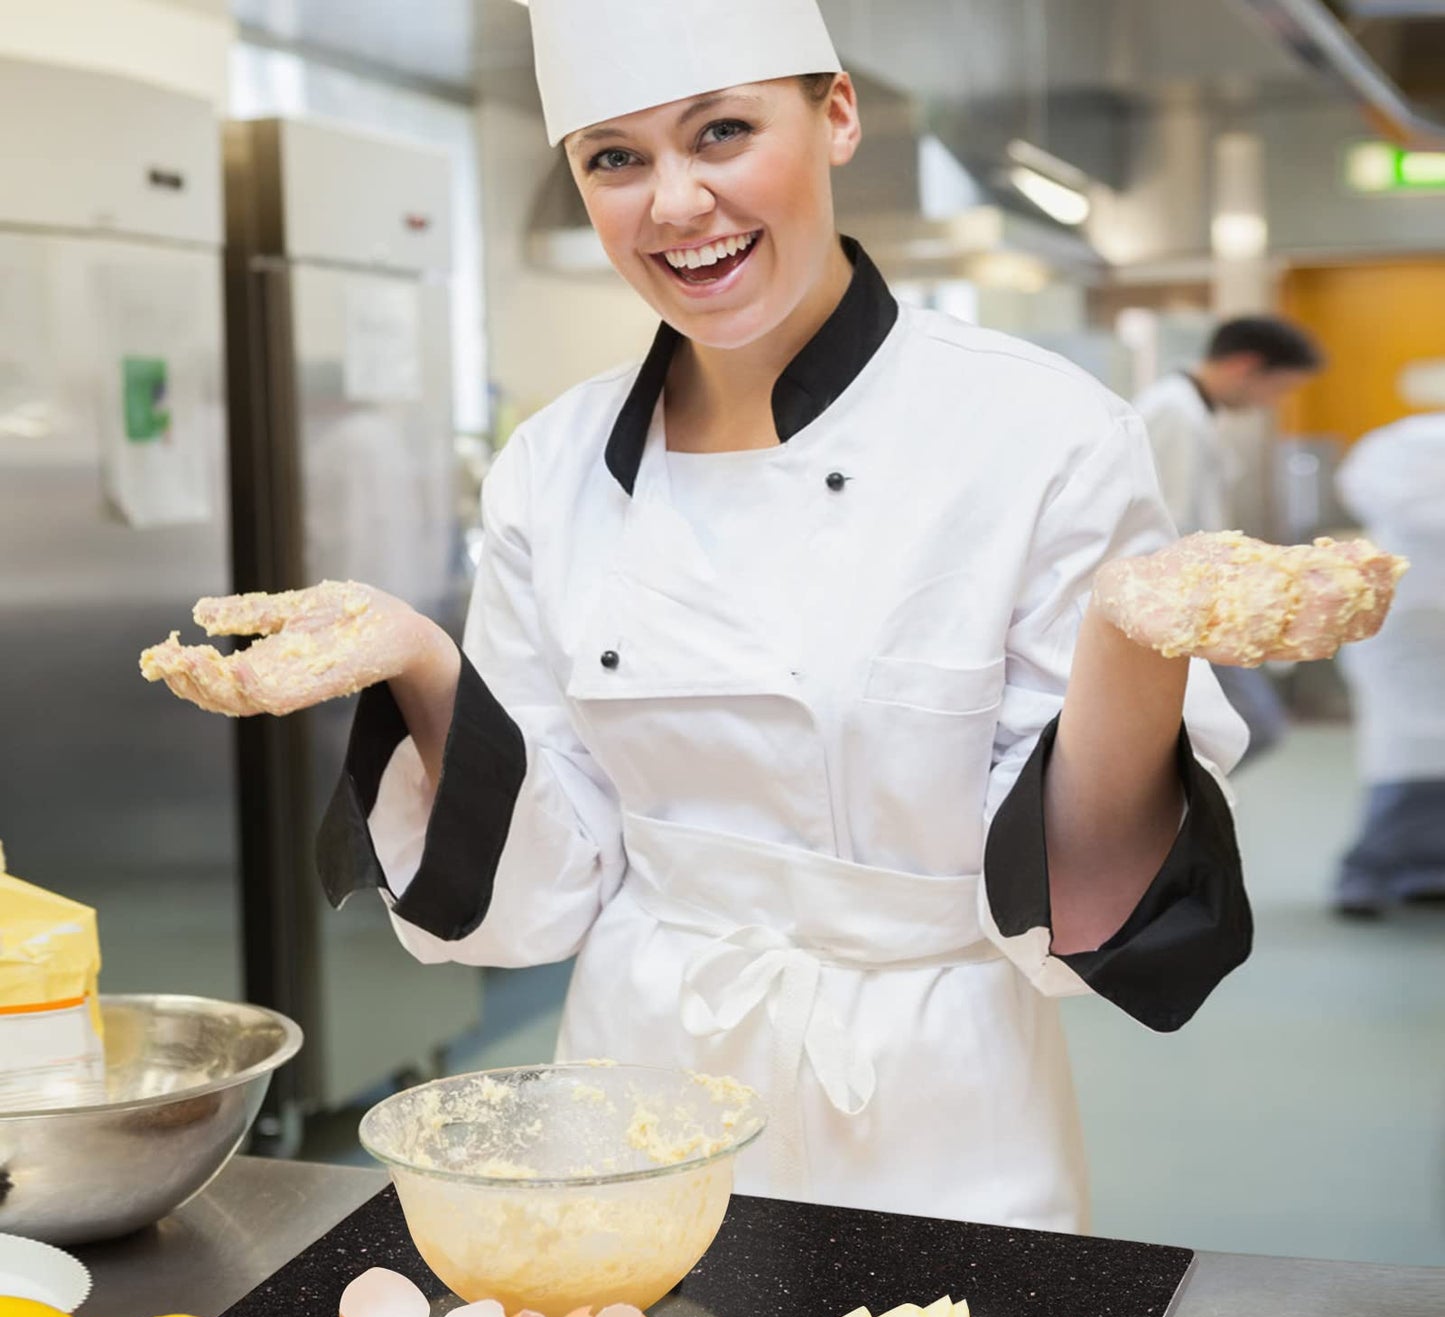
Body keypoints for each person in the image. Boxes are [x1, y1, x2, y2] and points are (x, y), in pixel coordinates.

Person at [141, 0, 1401, 1233]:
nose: (674, 203)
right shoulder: (552, 466)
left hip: (932, 1100)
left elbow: (1077, 912)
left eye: (721, 132)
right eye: (615, 159)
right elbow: (544, 889)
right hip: (635, 1100)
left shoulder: (1039, 432)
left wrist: (1132, 643)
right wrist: (423, 664)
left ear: (836, 113)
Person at [1134, 316, 1325, 765]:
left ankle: (1172, 814)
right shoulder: (1173, 413)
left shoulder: (1194, 411)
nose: (1270, 403)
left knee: (1244, 729)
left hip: (1196, 602)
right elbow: (1170, 527)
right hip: (1180, 605)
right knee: (1253, 726)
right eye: (1276, 389)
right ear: (1245, 366)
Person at [1333, 412, 1445, 916]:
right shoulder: (1406, 444)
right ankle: (1369, 873)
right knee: (1401, 750)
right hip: (1400, 618)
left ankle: (1427, 871)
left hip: (1405, 615)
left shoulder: (1394, 444)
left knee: (1412, 749)